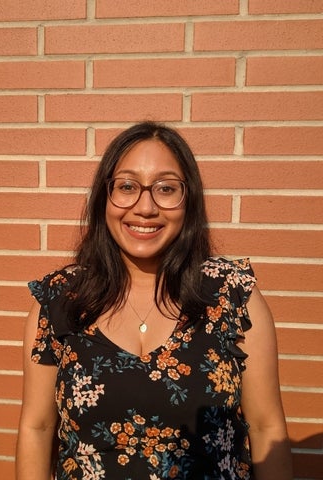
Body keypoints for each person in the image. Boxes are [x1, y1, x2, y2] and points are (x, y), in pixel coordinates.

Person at [16, 121, 292, 480]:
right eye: (127, 186)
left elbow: (267, 428)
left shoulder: (232, 296)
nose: (145, 207)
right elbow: (36, 429)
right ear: (105, 197)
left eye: (165, 188)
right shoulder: (60, 300)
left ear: (188, 199)